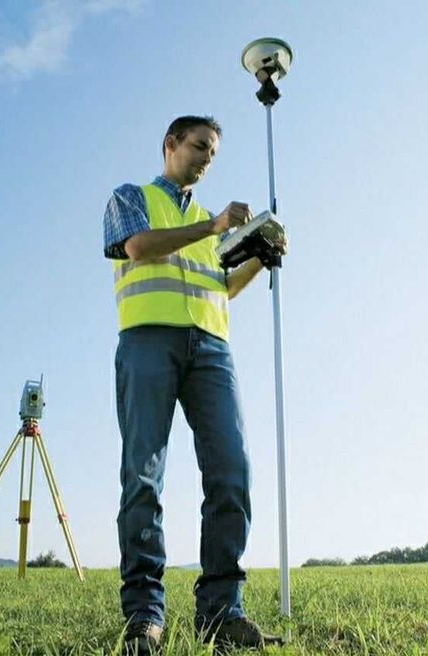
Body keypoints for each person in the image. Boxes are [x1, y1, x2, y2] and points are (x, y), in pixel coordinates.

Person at [103, 115, 286, 654]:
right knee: (143, 474)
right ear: (171, 145)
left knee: (232, 470)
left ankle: (222, 612)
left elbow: (222, 287)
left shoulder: (213, 225)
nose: (207, 158)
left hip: (211, 348)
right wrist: (212, 229)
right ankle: (144, 615)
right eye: (200, 147)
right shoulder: (130, 197)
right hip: (147, 342)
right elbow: (138, 248)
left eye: (213, 152)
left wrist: (258, 257)